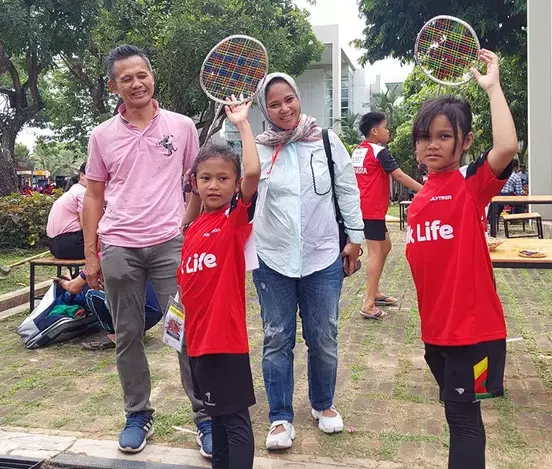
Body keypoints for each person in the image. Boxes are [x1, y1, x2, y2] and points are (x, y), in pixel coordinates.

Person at [82, 44, 210, 456]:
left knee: (186, 332)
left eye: (142, 75)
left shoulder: (182, 126)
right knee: (127, 335)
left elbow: (198, 182)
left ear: (152, 76)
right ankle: (138, 413)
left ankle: (205, 416)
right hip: (120, 246)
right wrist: (91, 254)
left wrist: (187, 227)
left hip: (171, 244)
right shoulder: (102, 136)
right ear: (113, 86)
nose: (136, 84)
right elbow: (94, 197)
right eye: (126, 79)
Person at [405, 50, 516, 469]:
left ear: (465, 141)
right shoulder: (419, 201)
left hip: (473, 335)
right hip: (437, 334)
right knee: (458, 418)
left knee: (463, 420)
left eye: (444, 136)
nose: (432, 144)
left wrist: (492, 87)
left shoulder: (469, 186)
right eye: (424, 136)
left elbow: (506, 145)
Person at [251, 73, 363, 450]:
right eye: (274, 104)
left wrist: (356, 240)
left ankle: (322, 404)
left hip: (323, 256)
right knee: (276, 338)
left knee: (324, 336)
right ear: (264, 111)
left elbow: (347, 190)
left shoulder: (327, 141)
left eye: (289, 100)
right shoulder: (259, 148)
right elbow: (245, 192)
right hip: (272, 259)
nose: (284, 109)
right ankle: (280, 417)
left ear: (299, 99)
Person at [178, 96, 260, 468]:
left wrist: (242, 123)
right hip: (196, 344)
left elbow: (254, 173)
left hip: (225, 342)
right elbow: (184, 222)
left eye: (223, 179)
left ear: (235, 183)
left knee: (236, 422)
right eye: (205, 179)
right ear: (195, 183)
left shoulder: (233, 223)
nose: (214, 186)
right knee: (217, 422)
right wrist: (191, 190)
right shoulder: (193, 228)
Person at [353, 111, 423, 320]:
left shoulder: (357, 151)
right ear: (374, 131)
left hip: (361, 208)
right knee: (376, 252)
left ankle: (375, 292)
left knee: (386, 246)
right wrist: (426, 190)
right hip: (371, 210)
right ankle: (368, 303)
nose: (388, 130)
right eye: (385, 127)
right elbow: (399, 175)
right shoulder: (379, 152)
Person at [61, 256, 164, 351]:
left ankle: (114, 335)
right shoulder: (133, 250)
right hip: (157, 310)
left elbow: (73, 288)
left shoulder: (101, 258)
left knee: (90, 293)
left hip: (142, 314)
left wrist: (63, 282)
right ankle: (135, 330)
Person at [46, 164, 87, 260]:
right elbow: (86, 224)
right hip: (70, 244)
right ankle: (84, 275)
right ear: (82, 175)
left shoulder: (73, 191)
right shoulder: (83, 193)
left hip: (54, 246)